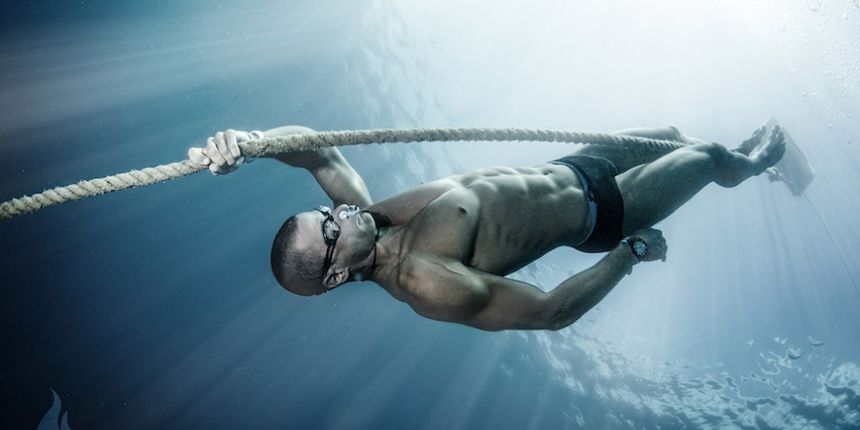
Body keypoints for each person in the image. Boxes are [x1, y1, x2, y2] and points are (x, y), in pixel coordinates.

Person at [188, 123, 785, 331]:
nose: (337, 212)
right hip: (609, 211)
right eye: (330, 227)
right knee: (705, 158)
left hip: (571, 167)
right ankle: (757, 164)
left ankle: (739, 161)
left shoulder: (372, 216)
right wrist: (628, 253)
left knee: (675, 135)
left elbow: (318, 154)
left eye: (324, 211)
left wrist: (254, 143)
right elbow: (549, 313)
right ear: (338, 271)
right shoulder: (424, 282)